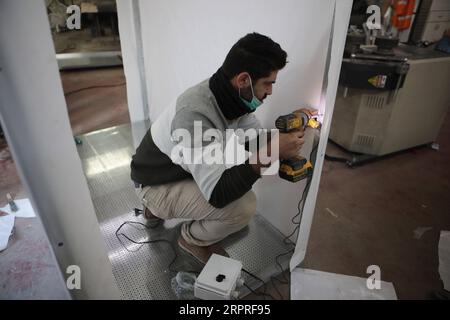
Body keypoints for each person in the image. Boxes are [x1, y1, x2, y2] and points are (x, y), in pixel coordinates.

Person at [130, 33, 315, 264]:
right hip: (153, 184)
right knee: (244, 207)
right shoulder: (195, 114)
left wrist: (284, 136)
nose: (270, 92)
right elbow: (218, 194)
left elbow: (253, 138)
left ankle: (156, 210)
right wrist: (272, 152)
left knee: (228, 173)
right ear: (243, 80)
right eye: (267, 83)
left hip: (169, 169)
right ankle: (190, 238)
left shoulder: (231, 97)